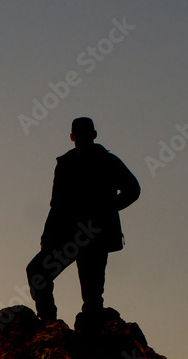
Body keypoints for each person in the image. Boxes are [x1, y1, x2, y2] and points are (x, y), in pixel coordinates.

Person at [26, 117, 140, 327]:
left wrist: (106, 209)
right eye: (78, 135)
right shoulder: (65, 165)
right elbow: (57, 204)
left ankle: (91, 338)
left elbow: (133, 189)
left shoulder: (108, 161)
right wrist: (47, 236)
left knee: (92, 297)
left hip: (96, 235)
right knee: (37, 271)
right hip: (70, 236)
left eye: (85, 135)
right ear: (72, 137)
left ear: (94, 135)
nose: (81, 139)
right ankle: (49, 324)